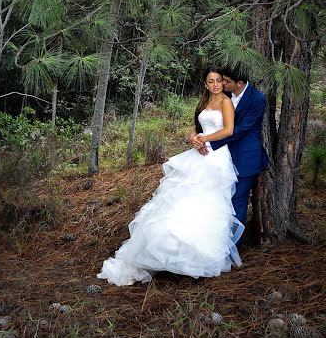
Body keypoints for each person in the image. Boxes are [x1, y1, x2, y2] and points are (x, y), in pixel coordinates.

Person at [97, 66, 244, 287]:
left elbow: (229, 130)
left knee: (208, 202)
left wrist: (205, 140)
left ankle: (199, 254)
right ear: (205, 84)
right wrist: (193, 137)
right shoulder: (204, 102)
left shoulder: (225, 102)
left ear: (223, 83)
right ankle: (169, 251)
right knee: (182, 200)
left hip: (215, 157)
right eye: (211, 81)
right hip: (198, 154)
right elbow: (196, 127)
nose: (215, 84)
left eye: (218, 81)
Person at [191, 66, 268, 229]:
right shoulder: (223, 93)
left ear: (239, 83)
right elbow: (201, 123)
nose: (220, 84)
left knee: (236, 204)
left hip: (244, 157)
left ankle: (230, 247)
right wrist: (195, 138)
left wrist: (207, 141)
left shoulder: (257, 99)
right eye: (217, 80)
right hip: (217, 157)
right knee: (210, 199)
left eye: (225, 81)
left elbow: (238, 130)